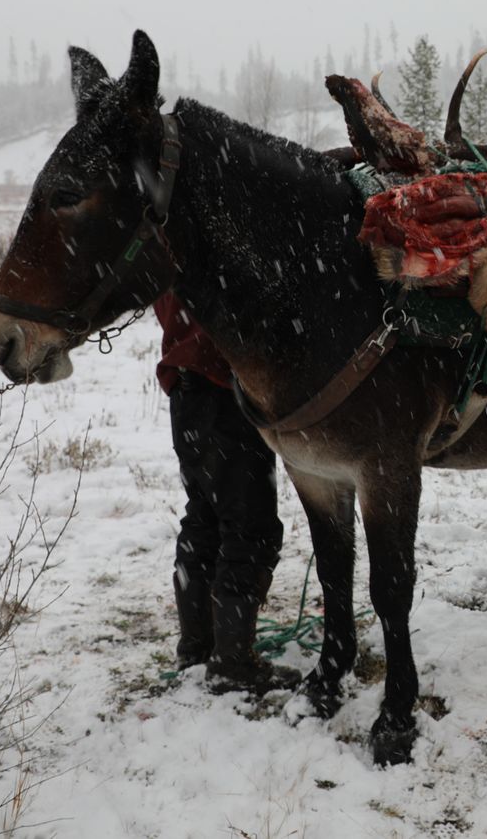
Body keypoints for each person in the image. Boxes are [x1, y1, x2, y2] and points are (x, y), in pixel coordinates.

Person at [155, 291, 300, 695]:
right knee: (248, 528)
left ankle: (198, 647)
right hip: (223, 389)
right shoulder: (211, 242)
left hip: (186, 388)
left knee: (203, 517)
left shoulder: (171, 246)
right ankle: (232, 663)